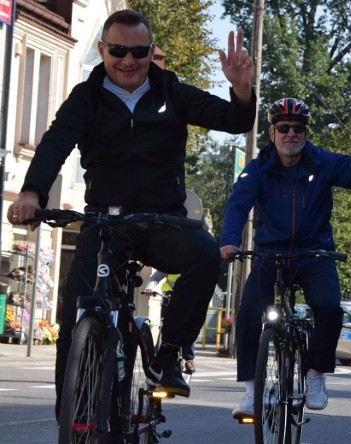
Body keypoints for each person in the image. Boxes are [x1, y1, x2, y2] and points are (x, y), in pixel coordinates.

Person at [6, 9, 256, 419]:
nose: (128, 61)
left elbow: (232, 120)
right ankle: (74, 421)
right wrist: (31, 193)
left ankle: (168, 357)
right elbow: (55, 144)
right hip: (105, 223)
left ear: (151, 50)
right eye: (118, 50)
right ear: (102, 50)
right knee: (75, 321)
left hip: (163, 220)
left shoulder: (171, 91)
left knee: (206, 255)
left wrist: (242, 90)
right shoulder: (85, 99)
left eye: (138, 52)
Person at [219, 98, 351, 420]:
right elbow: (236, 205)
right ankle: (249, 391)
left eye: (298, 128)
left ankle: (315, 376)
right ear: (272, 133)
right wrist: (230, 242)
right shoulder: (258, 169)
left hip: (315, 253)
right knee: (247, 313)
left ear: (306, 132)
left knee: (329, 308)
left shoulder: (323, 163)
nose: (291, 134)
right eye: (283, 128)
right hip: (269, 255)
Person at [144, 269, 196, 374]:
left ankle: (188, 359)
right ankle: (160, 351)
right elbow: (155, 277)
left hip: (187, 296)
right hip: (169, 296)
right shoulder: (171, 262)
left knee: (187, 327)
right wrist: (149, 287)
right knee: (165, 324)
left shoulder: (193, 262)